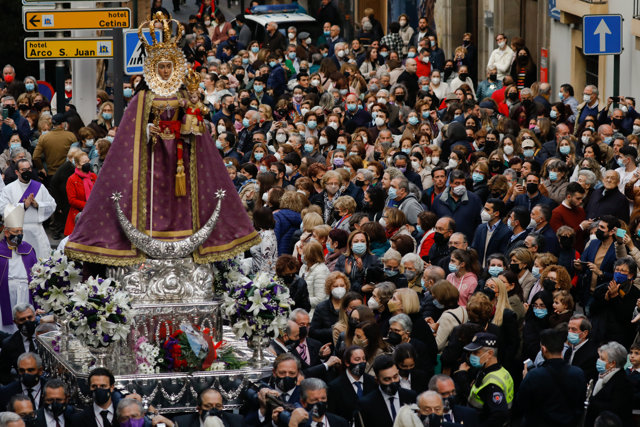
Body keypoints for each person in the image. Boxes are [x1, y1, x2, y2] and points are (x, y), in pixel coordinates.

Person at [66, 14, 259, 265]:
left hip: (182, 158)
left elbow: (198, 128)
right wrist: (148, 131)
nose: (166, 71)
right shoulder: (141, 99)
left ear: (175, 67)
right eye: (161, 67)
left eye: (169, 66)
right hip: (151, 158)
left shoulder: (185, 96)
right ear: (153, 68)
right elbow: (128, 137)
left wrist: (190, 122)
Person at [513, 327, 587, 427]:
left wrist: (525, 379)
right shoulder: (578, 374)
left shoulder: (534, 376)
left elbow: (521, 403)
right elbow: (580, 405)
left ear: (543, 349)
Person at [0, 159, 55, 259]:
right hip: (17, 233)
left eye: (29, 169)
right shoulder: (8, 189)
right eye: (24, 169)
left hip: (36, 231)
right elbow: (3, 209)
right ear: (17, 172)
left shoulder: (40, 187)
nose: (27, 172)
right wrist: (23, 205)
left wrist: (38, 205)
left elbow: (52, 205)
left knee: (40, 261)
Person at [455, 332, 513, 426]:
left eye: (476, 352)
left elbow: (500, 414)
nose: (471, 356)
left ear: (490, 353)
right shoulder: (497, 371)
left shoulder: (493, 384)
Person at [357, 354, 417, 426]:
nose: (393, 382)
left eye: (395, 377)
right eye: (387, 379)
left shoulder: (410, 396)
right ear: (377, 380)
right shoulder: (367, 404)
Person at [585, 342, 634, 427]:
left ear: (612, 363)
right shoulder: (602, 377)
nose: (598, 361)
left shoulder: (622, 383)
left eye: (602, 358)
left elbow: (615, 409)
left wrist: (591, 403)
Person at [328, 345, 376, 423]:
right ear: (347, 363)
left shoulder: (372, 381)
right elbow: (333, 415)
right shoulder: (335, 386)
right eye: (357, 359)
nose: (362, 362)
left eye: (363, 359)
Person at [471, 198, 512, 268]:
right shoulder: (480, 228)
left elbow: (502, 255)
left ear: (496, 213)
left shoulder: (506, 232)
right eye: (484, 209)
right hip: (478, 269)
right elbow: (474, 249)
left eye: (487, 210)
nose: (483, 212)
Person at [31, 113, 76, 178]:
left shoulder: (43, 137)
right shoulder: (71, 136)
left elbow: (35, 156)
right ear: (63, 124)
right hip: (68, 173)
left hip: (51, 173)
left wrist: (40, 168)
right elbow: (76, 154)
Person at [63, 151, 96, 236]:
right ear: (77, 165)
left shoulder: (93, 176)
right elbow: (72, 200)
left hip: (94, 214)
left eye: (88, 161)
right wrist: (88, 206)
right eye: (84, 162)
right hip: (78, 214)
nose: (87, 164)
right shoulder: (72, 179)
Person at [565, 314, 599, 381]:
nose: (569, 332)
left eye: (574, 329)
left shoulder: (593, 353)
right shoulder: (568, 351)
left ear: (585, 333)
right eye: (569, 328)